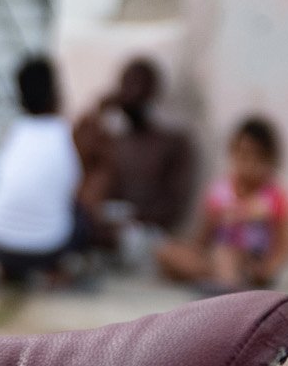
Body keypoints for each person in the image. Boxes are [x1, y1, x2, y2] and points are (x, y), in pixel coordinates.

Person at [0, 56, 83, 287]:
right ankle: (55, 270)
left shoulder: (12, 132)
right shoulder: (68, 133)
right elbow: (74, 190)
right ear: (56, 92)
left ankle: (3, 267)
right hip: (48, 247)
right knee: (81, 214)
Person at [157, 116, 288, 290]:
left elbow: (287, 244)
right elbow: (202, 240)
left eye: (257, 157)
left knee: (227, 256)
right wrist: (215, 222)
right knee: (167, 251)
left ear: (270, 160)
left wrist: (268, 269)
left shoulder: (275, 196)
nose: (249, 164)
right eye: (243, 155)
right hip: (216, 257)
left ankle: (226, 285)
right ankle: (221, 279)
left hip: (253, 261)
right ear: (233, 152)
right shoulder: (220, 191)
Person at [73, 58, 197, 252]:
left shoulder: (173, 142)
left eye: (139, 85)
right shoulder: (113, 141)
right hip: (108, 228)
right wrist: (99, 109)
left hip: (147, 234)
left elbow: (175, 205)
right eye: (126, 86)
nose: (132, 93)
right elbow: (78, 152)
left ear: (152, 92)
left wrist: (134, 219)